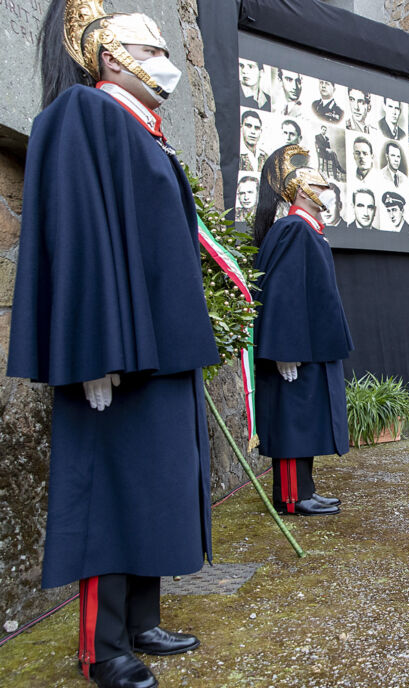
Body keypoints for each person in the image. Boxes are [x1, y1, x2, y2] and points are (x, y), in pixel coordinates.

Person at [7, 3, 222, 685]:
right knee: (108, 492)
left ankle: (141, 620)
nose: (164, 62)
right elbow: (78, 239)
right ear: (107, 55)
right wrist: (91, 351)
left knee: (153, 486)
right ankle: (103, 648)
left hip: (159, 346)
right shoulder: (84, 114)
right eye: (146, 49)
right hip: (117, 350)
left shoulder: (144, 130)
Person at [251, 145, 353, 520]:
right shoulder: (294, 229)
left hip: (306, 344)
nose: (326, 190)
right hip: (293, 348)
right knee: (294, 418)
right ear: (300, 191)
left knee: (303, 418)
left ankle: (304, 491)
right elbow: (283, 292)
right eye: (318, 185)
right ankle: (293, 497)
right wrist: (284, 348)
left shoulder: (305, 230)